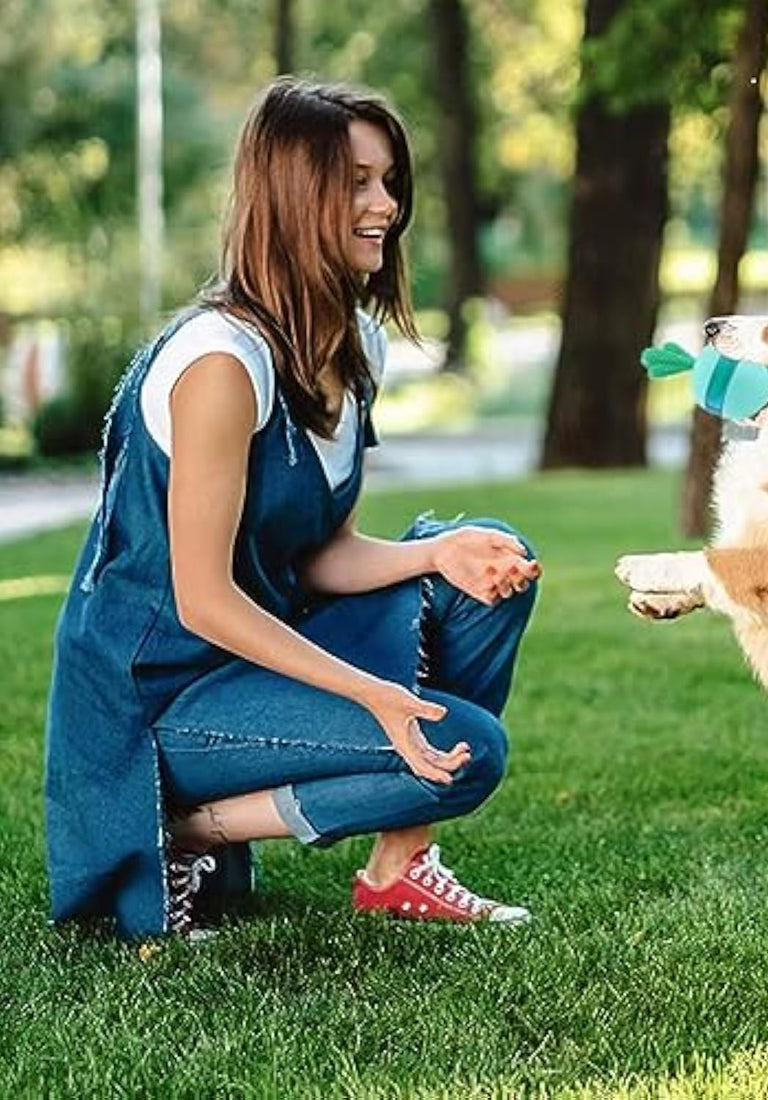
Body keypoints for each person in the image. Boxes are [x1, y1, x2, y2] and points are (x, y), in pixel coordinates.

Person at [44, 77, 541, 942]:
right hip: (159, 701)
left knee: (488, 565)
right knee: (473, 750)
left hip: (255, 656)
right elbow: (201, 599)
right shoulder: (220, 365)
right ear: (291, 195)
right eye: (356, 181)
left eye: (388, 181)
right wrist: (377, 695)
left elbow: (320, 553)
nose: (384, 205)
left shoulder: (352, 343)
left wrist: (439, 554)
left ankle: (400, 866)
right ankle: (180, 828)